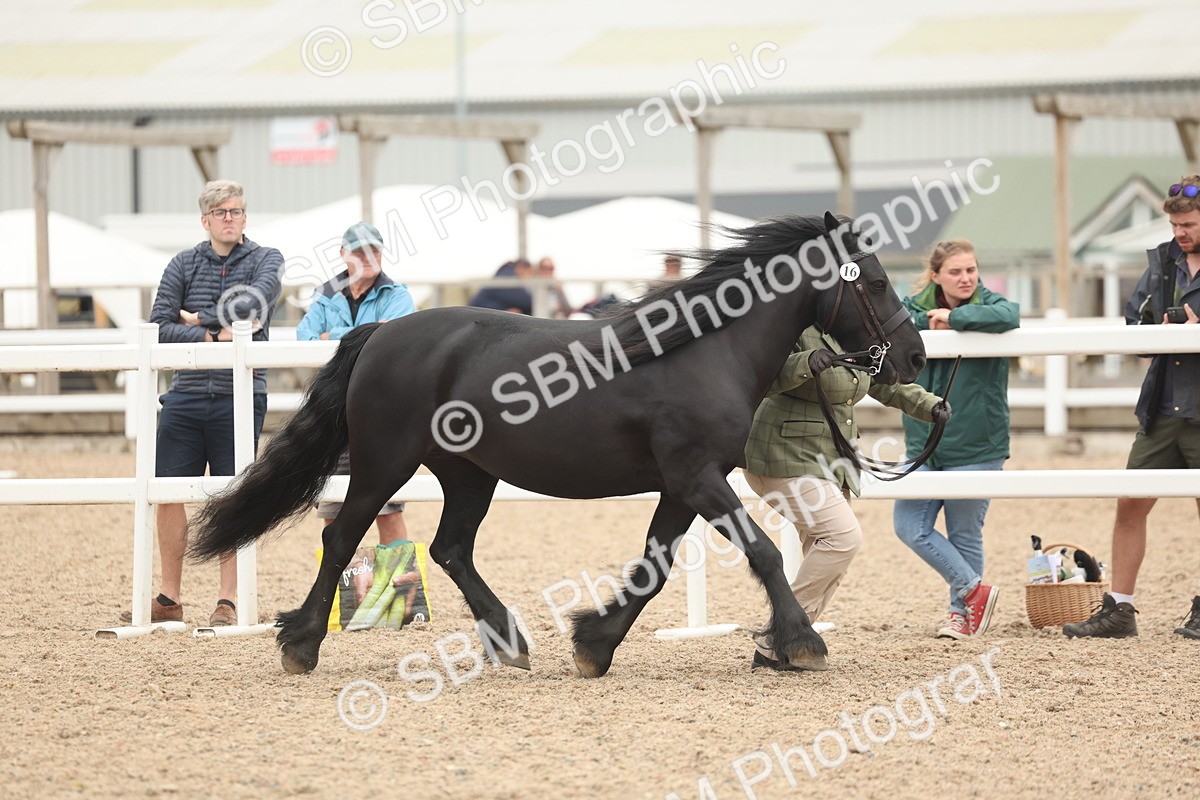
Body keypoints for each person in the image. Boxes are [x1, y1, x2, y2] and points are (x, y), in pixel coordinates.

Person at [121, 179, 282, 627]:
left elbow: (256, 304)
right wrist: (214, 334)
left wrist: (197, 318)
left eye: (236, 211)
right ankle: (169, 596)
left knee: (234, 494)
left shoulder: (267, 259)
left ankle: (227, 599)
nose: (229, 219)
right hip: (186, 396)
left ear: (245, 217)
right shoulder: (182, 263)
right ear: (206, 219)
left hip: (240, 394)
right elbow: (159, 325)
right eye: (221, 213)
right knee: (167, 493)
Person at [742, 326, 946, 671]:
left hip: (829, 460)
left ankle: (789, 647)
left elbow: (881, 381)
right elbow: (762, 377)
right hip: (779, 453)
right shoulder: (795, 323)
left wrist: (929, 406)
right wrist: (804, 362)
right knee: (842, 538)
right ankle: (781, 636)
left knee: (827, 556)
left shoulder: (854, 329)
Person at [1064, 177, 1200, 641]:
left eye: (1189, 224)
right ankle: (1120, 609)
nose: (1180, 232)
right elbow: (1135, 322)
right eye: (1175, 223)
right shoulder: (1163, 260)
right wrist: (1165, 325)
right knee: (1130, 503)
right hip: (1163, 404)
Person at [892, 239, 1019, 639]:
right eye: (955, 271)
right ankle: (974, 590)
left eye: (971, 270)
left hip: (978, 442)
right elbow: (892, 324)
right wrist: (932, 321)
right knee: (909, 525)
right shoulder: (910, 310)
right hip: (924, 443)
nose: (965, 278)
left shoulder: (993, 305)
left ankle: (960, 614)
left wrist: (956, 319)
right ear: (935, 276)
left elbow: (1010, 315)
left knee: (965, 532)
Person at [296, 221, 417, 545]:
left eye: (374, 250)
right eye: (360, 251)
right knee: (333, 507)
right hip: (334, 412)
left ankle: (398, 593)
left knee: (387, 508)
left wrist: (331, 336)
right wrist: (367, 331)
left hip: (380, 413)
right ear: (342, 254)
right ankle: (344, 593)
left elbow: (391, 339)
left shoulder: (398, 294)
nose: (368, 257)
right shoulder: (326, 295)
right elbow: (304, 338)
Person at [469, 259, 533, 314]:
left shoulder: (504, 275)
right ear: (521, 269)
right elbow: (524, 301)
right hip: (477, 317)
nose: (529, 276)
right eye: (529, 272)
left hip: (481, 315)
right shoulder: (507, 277)